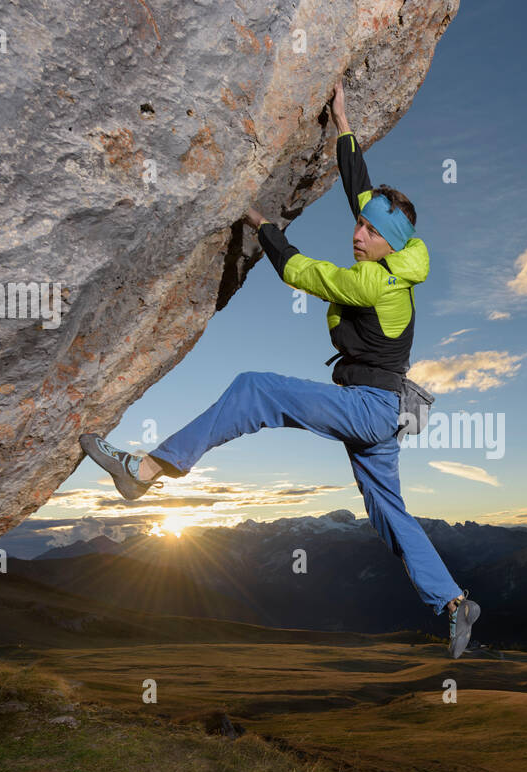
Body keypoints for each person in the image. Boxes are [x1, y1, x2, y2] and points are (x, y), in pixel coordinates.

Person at [79, 82, 482, 658]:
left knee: (256, 389)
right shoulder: (398, 257)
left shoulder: (370, 281)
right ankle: (453, 603)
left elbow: (299, 272)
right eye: (360, 225)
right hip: (385, 413)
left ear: (387, 246)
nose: (357, 233)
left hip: (369, 409)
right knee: (390, 513)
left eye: (367, 232)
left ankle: (143, 471)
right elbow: (361, 195)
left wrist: (259, 220)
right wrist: (343, 123)